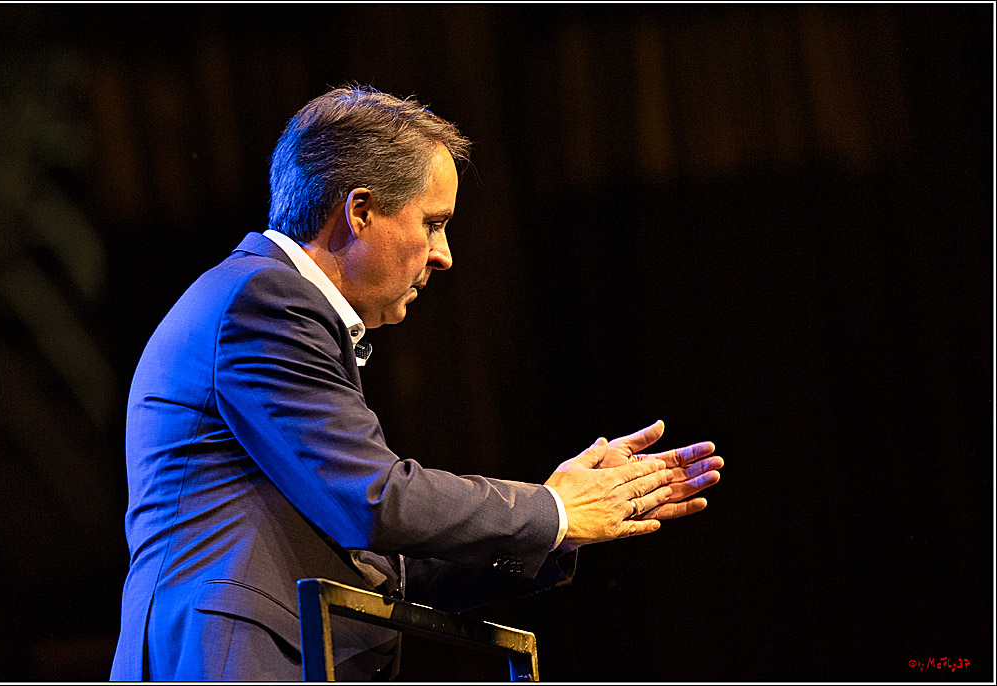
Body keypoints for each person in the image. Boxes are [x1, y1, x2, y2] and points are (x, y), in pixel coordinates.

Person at [109, 85, 724, 681]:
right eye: (433, 224)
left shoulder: (274, 307)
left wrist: (566, 518)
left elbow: (385, 566)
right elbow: (376, 499)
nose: (445, 254)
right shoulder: (264, 304)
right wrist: (554, 512)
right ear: (360, 211)